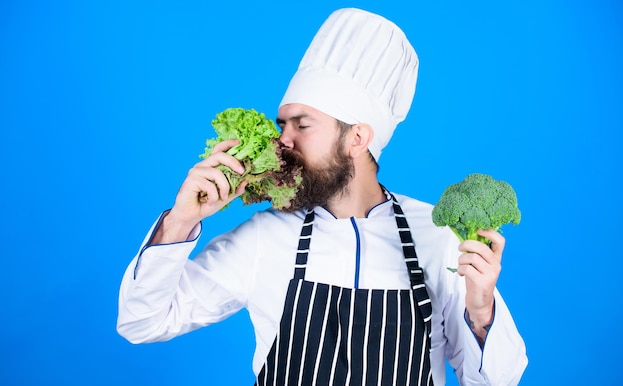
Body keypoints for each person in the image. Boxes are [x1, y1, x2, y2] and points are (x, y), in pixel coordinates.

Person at [117, 8, 527, 385]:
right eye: (283, 124)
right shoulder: (264, 238)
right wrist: (181, 221)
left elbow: (497, 380)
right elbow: (142, 322)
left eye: (302, 125)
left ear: (357, 138)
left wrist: (481, 310)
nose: (283, 140)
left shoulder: (436, 235)